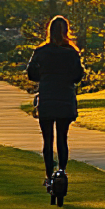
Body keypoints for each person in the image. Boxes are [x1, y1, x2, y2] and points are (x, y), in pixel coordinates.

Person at [26, 15, 86, 190]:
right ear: (66, 31)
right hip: (65, 98)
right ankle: (62, 171)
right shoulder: (72, 53)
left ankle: (48, 176)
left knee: (47, 140)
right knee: (62, 138)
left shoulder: (41, 52)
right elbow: (78, 76)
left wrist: (45, 76)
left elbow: (31, 74)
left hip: (47, 98)